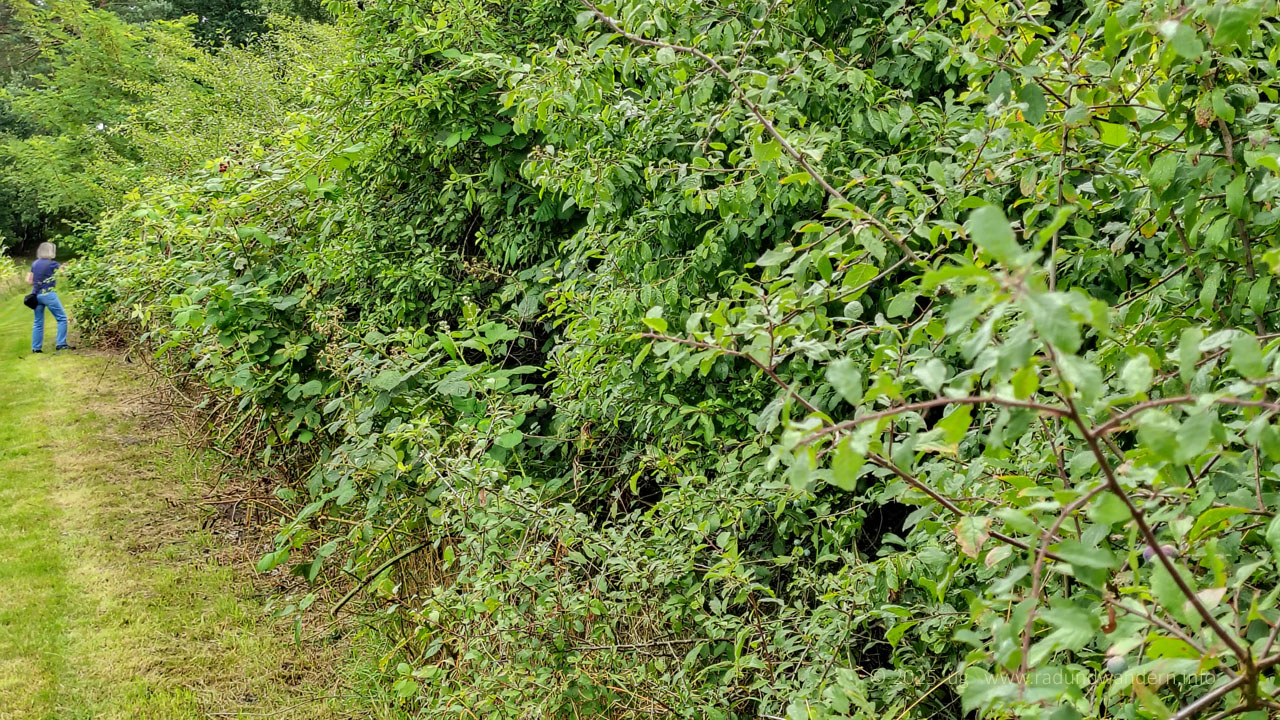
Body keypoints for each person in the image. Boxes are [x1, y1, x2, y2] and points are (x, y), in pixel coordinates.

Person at [25, 242, 72, 353]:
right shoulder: (53, 264)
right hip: (48, 294)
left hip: (36, 295)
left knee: (38, 322)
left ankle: (36, 348)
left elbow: (29, 281)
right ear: (51, 251)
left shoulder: (35, 263)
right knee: (62, 318)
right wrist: (65, 268)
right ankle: (61, 344)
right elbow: (64, 275)